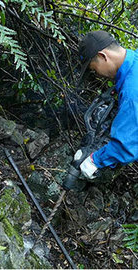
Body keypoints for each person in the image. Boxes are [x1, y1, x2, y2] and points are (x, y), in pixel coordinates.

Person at [74, 30, 138, 179]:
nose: (96, 74)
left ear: (103, 57)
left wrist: (94, 161)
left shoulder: (132, 91)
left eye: (93, 69)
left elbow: (127, 146)